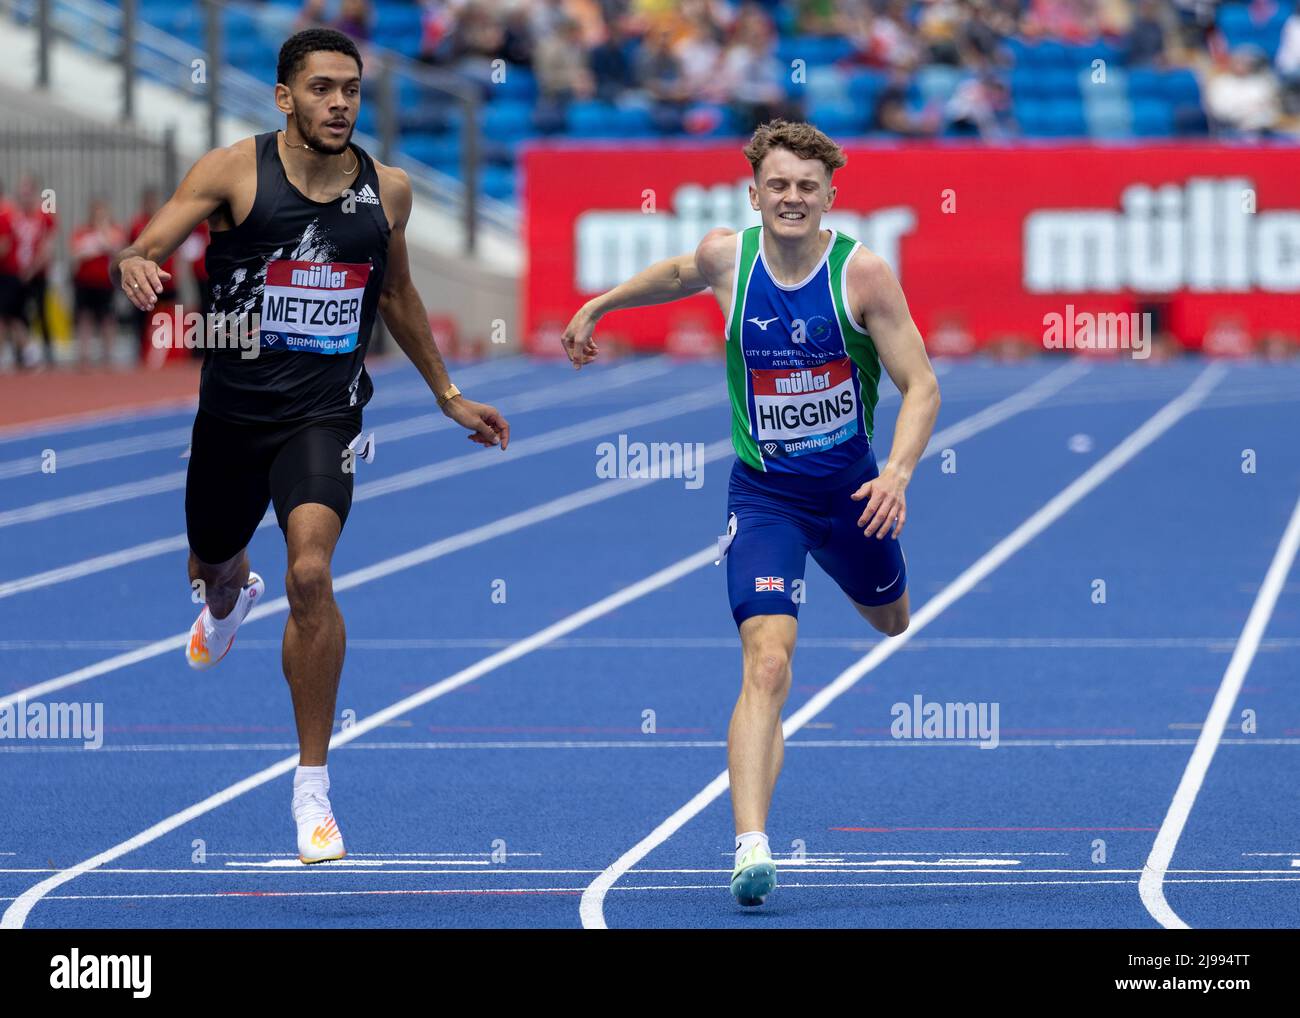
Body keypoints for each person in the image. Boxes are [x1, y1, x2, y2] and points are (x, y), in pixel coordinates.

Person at [112, 28, 510, 864]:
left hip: (322, 418)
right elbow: (148, 243)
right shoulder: (233, 171)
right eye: (323, 89)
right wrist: (137, 264)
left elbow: (397, 293)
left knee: (311, 572)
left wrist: (447, 395)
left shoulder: (388, 191)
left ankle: (312, 787)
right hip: (230, 416)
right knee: (214, 564)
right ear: (286, 98)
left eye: (352, 90)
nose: (340, 104)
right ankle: (226, 597)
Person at [561, 119, 940, 907]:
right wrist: (602, 304)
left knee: (892, 620)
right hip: (765, 496)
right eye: (778, 185)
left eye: (807, 186)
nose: (792, 198)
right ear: (754, 194)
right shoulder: (727, 260)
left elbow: (922, 385)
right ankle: (751, 846)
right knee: (768, 662)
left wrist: (898, 473)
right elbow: (675, 273)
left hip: (852, 495)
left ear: (830, 195)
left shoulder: (863, 276)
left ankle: (869, 566)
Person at [70, 196, 126, 366]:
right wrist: (95, 245)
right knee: (84, 318)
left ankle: (108, 354)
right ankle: (84, 355)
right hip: (85, 282)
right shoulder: (82, 231)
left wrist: (101, 236)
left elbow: (116, 247)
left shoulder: (114, 230)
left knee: (107, 318)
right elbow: (76, 252)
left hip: (105, 282)